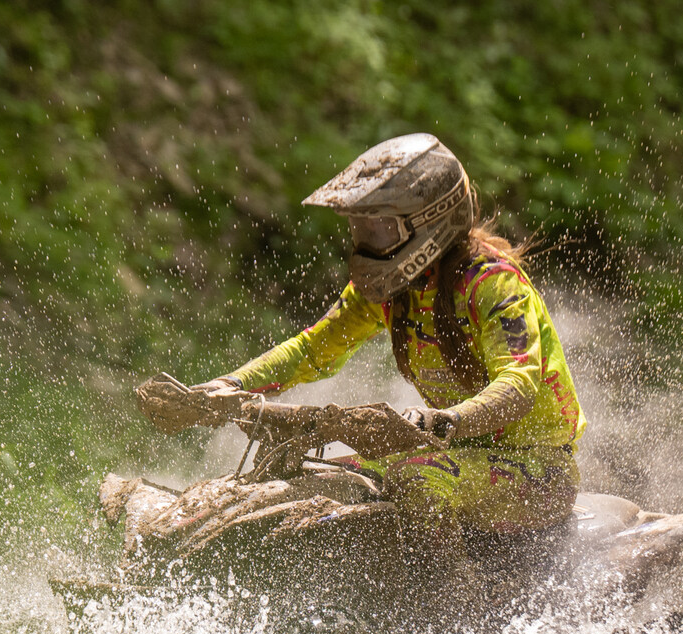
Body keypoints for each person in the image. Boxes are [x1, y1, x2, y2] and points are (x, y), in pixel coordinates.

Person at [187, 134, 585, 535]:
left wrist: (442, 422)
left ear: (430, 223)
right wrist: (230, 384)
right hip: (457, 453)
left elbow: (517, 385)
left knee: (417, 481)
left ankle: (454, 598)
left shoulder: (492, 284)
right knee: (315, 481)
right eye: (360, 230)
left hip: (538, 469)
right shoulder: (394, 290)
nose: (364, 245)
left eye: (379, 231)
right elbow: (311, 349)